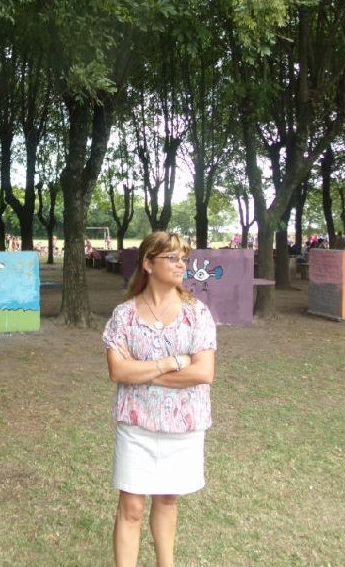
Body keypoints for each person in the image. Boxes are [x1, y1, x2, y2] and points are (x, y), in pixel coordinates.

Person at [102, 231, 216, 567]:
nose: (182, 264)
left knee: (167, 500)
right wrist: (170, 362)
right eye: (173, 258)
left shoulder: (196, 313)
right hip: (137, 424)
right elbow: (117, 372)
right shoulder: (124, 315)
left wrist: (142, 371)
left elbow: (203, 373)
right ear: (149, 264)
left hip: (183, 425)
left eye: (184, 258)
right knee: (131, 507)